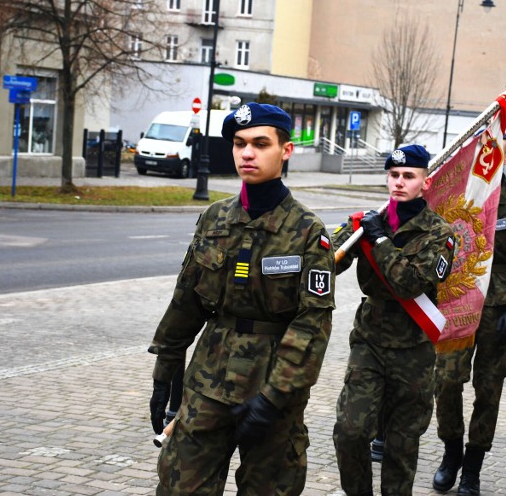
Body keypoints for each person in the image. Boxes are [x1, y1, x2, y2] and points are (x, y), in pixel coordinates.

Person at [148, 102, 336, 496]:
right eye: (239, 143)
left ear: (286, 150)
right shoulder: (215, 218)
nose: (247, 153)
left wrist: (276, 396)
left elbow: (312, 324)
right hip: (208, 377)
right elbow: (188, 298)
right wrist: (167, 363)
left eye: (260, 143)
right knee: (179, 484)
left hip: (272, 385)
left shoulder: (307, 232)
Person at [332, 144, 456, 496]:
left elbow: (410, 284)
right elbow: (328, 261)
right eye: (394, 175)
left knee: (401, 447)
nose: (399, 183)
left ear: (425, 183)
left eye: (408, 176)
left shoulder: (440, 234)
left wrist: (381, 240)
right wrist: (342, 240)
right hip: (369, 340)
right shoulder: (369, 222)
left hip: (413, 349)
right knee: (350, 431)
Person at [432, 136, 506, 496]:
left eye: (495, 152)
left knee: (488, 389)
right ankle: (451, 452)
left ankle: (473, 467)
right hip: (459, 305)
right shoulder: (458, 197)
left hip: (498, 312)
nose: (487, 158)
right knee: (447, 382)